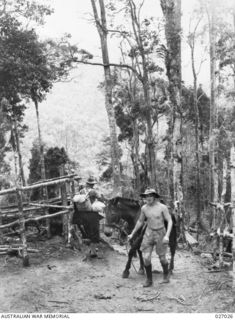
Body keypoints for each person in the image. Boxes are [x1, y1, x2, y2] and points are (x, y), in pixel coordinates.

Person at [128, 188, 173, 287]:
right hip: (149, 233)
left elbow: (169, 221)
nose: (148, 198)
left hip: (161, 233)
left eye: (150, 196)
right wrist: (132, 233)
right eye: (146, 196)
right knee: (146, 257)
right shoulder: (144, 208)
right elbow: (140, 221)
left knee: (162, 258)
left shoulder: (162, 207)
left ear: (154, 197)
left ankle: (166, 275)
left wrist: (167, 235)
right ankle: (149, 280)